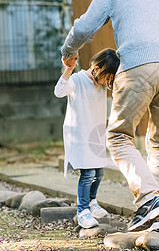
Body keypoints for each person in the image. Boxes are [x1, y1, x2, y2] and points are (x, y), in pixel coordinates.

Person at [60, 0, 159, 232]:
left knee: (118, 136)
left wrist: (69, 49)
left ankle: (150, 200)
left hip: (139, 65)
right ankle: (158, 219)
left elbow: (84, 29)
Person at [54, 48, 120, 229]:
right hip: (79, 133)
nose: (107, 82)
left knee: (99, 172)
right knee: (88, 173)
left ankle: (92, 202)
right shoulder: (78, 79)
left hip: (95, 133)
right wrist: (68, 69)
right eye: (106, 77)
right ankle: (82, 211)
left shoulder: (101, 84)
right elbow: (59, 91)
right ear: (97, 68)